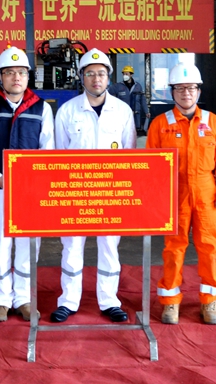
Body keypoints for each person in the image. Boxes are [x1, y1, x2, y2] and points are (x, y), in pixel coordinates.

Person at [51, 48, 136, 323]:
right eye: (90, 74)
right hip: (75, 191)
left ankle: (109, 301)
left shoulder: (122, 111)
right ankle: (68, 301)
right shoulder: (67, 111)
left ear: (108, 77)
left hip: (111, 191)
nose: (96, 79)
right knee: (72, 247)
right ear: (81, 77)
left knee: (110, 247)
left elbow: (129, 153)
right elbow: (59, 154)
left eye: (101, 73)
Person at [0, 46, 55, 323]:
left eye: (21, 72)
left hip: (31, 191)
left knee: (29, 246)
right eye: (9, 72)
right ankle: (2, 299)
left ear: (28, 76)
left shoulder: (42, 109)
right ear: (0, 77)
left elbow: (48, 151)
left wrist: (33, 181)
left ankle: (24, 298)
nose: (16, 77)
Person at [146, 63, 216, 325]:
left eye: (191, 88)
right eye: (180, 88)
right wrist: (157, 198)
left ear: (199, 91)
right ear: (172, 92)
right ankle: (170, 303)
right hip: (175, 194)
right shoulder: (160, 124)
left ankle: (209, 302)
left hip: (206, 193)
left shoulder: (212, 122)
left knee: (210, 247)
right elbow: (151, 165)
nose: (186, 93)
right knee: (173, 249)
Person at [109, 65, 150, 134]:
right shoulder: (118, 86)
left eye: (126, 74)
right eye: (124, 74)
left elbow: (142, 100)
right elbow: (107, 94)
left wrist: (146, 111)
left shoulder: (138, 86)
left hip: (136, 114)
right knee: (123, 132)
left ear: (131, 75)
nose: (124, 75)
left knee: (134, 133)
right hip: (123, 114)